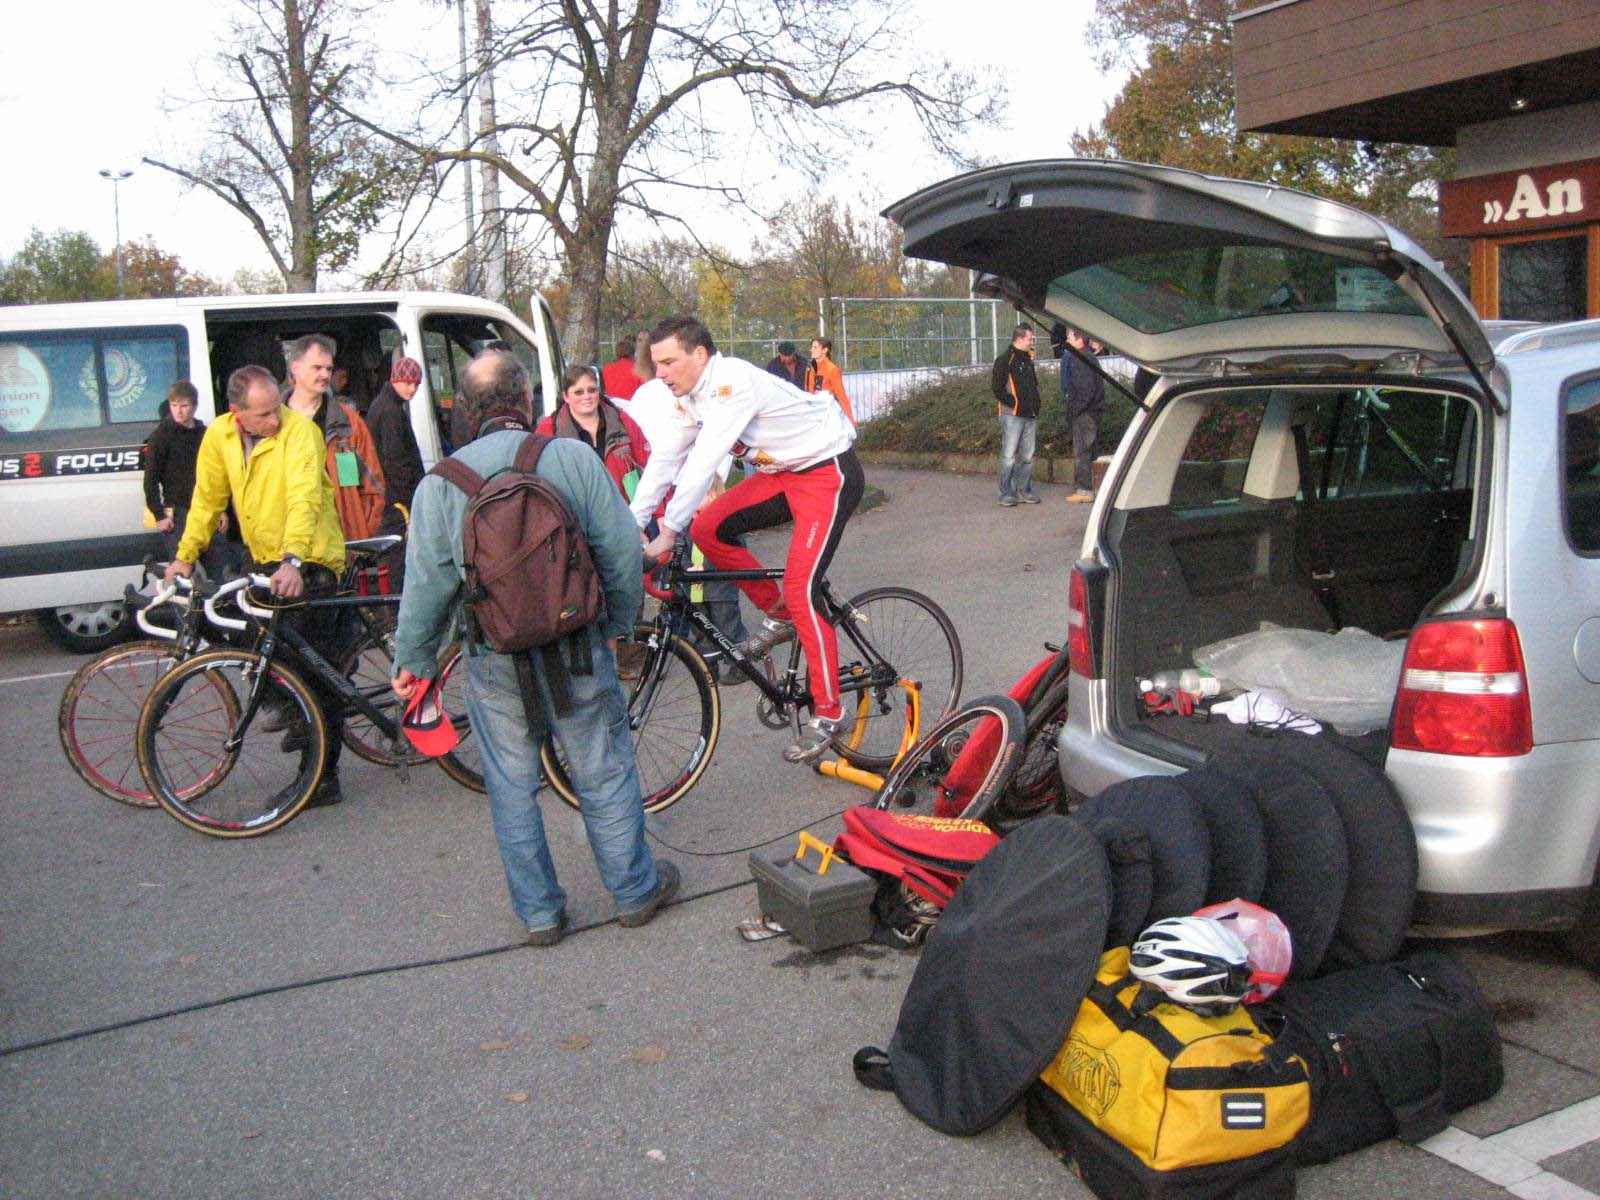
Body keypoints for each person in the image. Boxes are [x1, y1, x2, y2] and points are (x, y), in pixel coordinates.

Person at [389, 349, 678, 945]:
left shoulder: (439, 485)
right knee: (602, 768)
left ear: (465, 412)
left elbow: (425, 588)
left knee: (511, 784)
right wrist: (618, 623)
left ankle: (541, 914)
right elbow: (622, 549)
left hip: (493, 655)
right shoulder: (569, 458)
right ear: (526, 400)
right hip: (576, 641)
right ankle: (633, 892)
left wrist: (413, 662)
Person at [634, 316, 862, 765]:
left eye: (667, 362)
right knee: (709, 530)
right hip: (783, 474)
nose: (658, 373)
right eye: (656, 364)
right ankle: (780, 614)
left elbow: (703, 461)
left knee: (803, 589)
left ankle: (830, 712)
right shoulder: (689, 393)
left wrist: (666, 531)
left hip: (826, 472)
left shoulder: (731, 381)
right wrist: (632, 522)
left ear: (699, 355)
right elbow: (667, 457)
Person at [163, 365, 352, 807]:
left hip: (310, 556)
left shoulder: (299, 430)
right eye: (264, 415)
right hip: (265, 556)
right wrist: (185, 556)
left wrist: (294, 560)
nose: (275, 420)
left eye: (277, 410)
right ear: (237, 413)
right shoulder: (219, 437)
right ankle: (295, 714)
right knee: (248, 639)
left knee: (313, 671)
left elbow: (305, 497)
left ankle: (323, 777)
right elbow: (207, 501)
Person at [284, 334, 389, 541]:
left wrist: (362, 534)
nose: (325, 375)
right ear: (295, 368)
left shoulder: (347, 423)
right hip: (287, 543)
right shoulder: (274, 423)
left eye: (329, 369)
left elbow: (373, 485)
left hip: (340, 545)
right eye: (317, 368)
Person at [143, 381, 238, 576]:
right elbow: (150, 479)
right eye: (174, 406)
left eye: (184, 406)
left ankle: (223, 606)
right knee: (181, 576)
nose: (179, 411)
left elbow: (219, 476)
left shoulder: (204, 434)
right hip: (177, 513)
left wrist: (222, 509)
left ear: (194, 406)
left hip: (207, 509)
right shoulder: (161, 436)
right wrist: (159, 514)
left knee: (223, 570)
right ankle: (184, 606)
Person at [536, 363, 650, 498]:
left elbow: (649, 468)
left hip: (623, 511)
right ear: (566, 396)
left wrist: (659, 514)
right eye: (579, 392)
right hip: (575, 514)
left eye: (592, 390)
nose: (586, 397)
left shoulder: (623, 421)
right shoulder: (549, 429)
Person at [364, 356, 428, 588]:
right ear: (395, 380)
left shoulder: (384, 405)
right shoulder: (391, 411)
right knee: (397, 562)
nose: (412, 389)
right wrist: (411, 501)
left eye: (416, 384)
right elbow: (396, 462)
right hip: (397, 503)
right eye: (408, 383)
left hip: (390, 499)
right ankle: (394, 611)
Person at [990, 323, 1042, 507]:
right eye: (1030, 338)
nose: (1032, 341)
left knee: (1027, 456)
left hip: (1031, 414)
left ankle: (1024, 490)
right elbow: (997, 388)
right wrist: (1014, 402)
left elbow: (1033, 385)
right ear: (1019, 339)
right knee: (1009, 455)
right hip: (1012, 415)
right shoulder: (1004, 360)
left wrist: (1036, 404)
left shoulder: (1028, 360)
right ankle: (1006, 493)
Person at [1062, 327, 1105, 503]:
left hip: (1085, 414)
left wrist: (1075, 410)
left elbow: (1085, 390)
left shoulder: (1081, 359)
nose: (1067, 338)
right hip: (1091, 412)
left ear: (1078, 338)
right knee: (1089, 451)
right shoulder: (1088, 357)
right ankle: (1090, 488)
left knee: (1083, 452)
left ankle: (1085, 489)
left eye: (1070, 336)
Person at [805, 336, 854, 424]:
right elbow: (810, 391)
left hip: (829, 415)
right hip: (814, 413)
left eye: (815, 347)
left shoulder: (832, 369)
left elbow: (841, 396)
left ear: (825, 350)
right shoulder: (811, 368)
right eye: (812, 347)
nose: (811, 350)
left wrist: (850, 419)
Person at [601, 334, 645, 404]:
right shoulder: (639, 369)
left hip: (612, 405)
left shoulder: (606, 369)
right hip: (632, 405)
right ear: (633, 352)